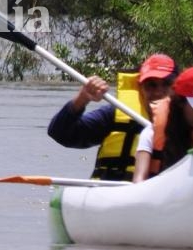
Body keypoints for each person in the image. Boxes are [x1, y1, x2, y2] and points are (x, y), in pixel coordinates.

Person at [47, 54, 178, 181]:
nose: (158, 92)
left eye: (166, 84)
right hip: (114, 193)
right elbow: (60, 133)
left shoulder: (187, 121)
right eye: (151, 85)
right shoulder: (116, 115)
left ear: (177, 87)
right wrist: (82, 99)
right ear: (140, 87)